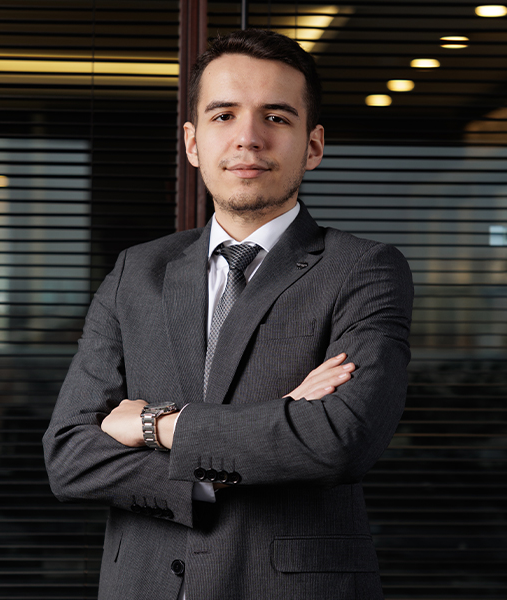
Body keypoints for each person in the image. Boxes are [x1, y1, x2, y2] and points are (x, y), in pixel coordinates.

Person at [43, 28, 413, 600]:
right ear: (192, 143)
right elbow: (69, 455)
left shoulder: (363, 269)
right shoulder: (135, 271)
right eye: (223, 116)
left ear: (313, 146)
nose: (248, 138)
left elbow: (340, 439)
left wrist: (155, 426)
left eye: (276, 117)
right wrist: (264, 435)